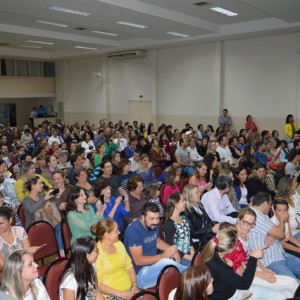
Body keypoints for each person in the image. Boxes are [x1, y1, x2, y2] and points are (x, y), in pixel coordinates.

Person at [236, 207, 298, 299]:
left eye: (251, 224)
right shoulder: (234, 237)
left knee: (289, 289)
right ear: (238, 219)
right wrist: (262, 274)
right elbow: (236, 269)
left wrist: (264, 269)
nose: (248, 227)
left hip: (252, 268)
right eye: (246, 223)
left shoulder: (245, 234)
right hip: (243, 276)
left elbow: (250, 255)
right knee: (291, 284)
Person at [124, 202, 187, 289]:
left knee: (179, 259)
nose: (156, 222)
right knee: (167, 263)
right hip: (140, 275)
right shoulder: (133, 231)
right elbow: (138, 260)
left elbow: (157, 242)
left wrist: (172, 250)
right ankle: (192, 275)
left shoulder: (153, 225)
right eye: (152, 219)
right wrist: (163, 256)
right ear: (142, 217)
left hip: (154, 266)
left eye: (157, 218)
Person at [200, 228, 265, 300]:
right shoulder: (219, 266)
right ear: (230, 249)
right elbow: (245, 284)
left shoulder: (213, 252)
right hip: (226, 297)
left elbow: (226, 276)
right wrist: (253, 258)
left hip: (230, 290)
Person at [248, 192, 300, 280]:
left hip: (281, 255)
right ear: (265, 203)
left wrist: (272, 235)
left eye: (285, 210)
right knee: (294, 283)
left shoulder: (262, 215)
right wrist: (282, 221)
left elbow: (279, 234)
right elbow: (281, 234)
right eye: (270, 204)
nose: (270, 207)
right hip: (271, 260)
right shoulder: (256, 216)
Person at [92, 219, 139, 299]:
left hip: (130, 289)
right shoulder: (96, 253)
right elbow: (98, 285)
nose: (119, 232)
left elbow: (129, 266)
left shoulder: (119, 244)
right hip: (112, 295)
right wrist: (121, 294)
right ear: (106, 235)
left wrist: (134, 284)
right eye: (116, 231)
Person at [182, 184, 219, 250]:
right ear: (190, 196)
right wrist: (211, 229)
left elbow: (208, 219)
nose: (200, 194)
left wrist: (216, 224)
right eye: (197, 193)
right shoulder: (186, 212)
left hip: (205, 235)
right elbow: (193, 233)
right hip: (196, 241)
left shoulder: (199, 204)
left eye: (199, 192)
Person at [163, 192, 193, 266]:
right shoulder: (169, 224)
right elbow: (170, 245)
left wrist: (193, 253)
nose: (185, 202)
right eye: (183, 200)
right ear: (176, 204)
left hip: (188, 252)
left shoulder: (184, 218)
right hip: (179, 256)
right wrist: (189, 257)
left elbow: (189, 237)